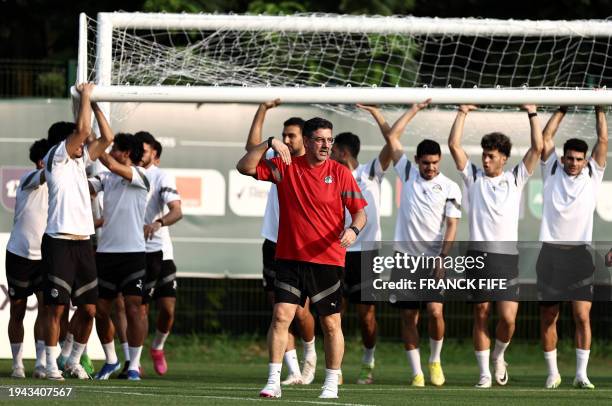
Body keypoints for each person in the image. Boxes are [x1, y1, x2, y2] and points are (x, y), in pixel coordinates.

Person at [237, 117, 367, 399]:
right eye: (320, 139)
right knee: (281, 316)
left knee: (331, 324)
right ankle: (273, 381)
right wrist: (269, 142)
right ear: (306, 142)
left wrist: (353, 230)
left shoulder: (340, 172)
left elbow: (360, 212)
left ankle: (331, 384)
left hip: (328, 260)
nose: (325, 145)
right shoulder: (285, 168)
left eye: (329, 140)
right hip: (289, 258)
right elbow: (244, 166)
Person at [448, 104, 543, 388]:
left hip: (506, 259)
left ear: (503, 158)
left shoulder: (515, 178)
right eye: (484, 155)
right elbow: (453, 145)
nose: (486, 160)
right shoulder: (473, 177)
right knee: (481, 313)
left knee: (508, 319)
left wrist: (532, 112)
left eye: (491, 156)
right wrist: (463, 112)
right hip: (477, 256)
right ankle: (484, 374)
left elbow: (537, 148)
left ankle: (499, 356)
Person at [382, 100, 461, 387]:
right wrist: (414, 108)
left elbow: (452, 224)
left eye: (435, 163)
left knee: (436, 311)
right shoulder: (407, 173)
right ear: (416, 161)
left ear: (440, 161)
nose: (430, 167)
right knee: (408, 315)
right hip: (404, 258)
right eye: (425, 163)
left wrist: (443, 257)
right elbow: (392, 138)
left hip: (433, 259)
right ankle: (416, 372)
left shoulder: (451, 187)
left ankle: (435, 360)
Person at [41, 83, 114, 380]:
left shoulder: (80, 160)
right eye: (77, 139)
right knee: (56, 308)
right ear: (65, 142)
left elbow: (107, 137)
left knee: (89, 309)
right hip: (58, 241)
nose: (83, 143)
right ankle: (48, 362)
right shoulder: (56, 158)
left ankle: (72, 359)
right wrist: (85, 94)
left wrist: (96, 104)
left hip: (84, 243)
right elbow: (83, 132)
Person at [245, 100, 317, 385]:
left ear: (305, 140)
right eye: (284, 135)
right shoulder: (277, 159)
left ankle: (311, 353)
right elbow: (250, 153)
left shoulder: (312, 164)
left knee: (301, 312)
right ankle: (293, 371)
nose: (286, 140)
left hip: (301, 247)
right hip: (274, 243)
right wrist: (263, 111)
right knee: (279, 310)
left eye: (292, 136)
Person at [536, 106, 608, 389]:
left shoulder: (592, 173)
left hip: (579, 254)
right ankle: (553, 373)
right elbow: (546, 135)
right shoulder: (552, 169)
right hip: (551, 254)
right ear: (562, 158)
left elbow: (602, 141)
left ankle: (581, 374)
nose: (573, 163)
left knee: (581, 316)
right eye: (569, 158)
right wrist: (562, 107)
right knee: (549, 316)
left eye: (578, 159)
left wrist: (600, 107)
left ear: (585, 160)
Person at [329, 105, 394, 385]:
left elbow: (392, 142)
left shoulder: (370, 172)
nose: (328, 154)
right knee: (334, 313)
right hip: (337, 253)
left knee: (367, 316)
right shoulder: (328, 175)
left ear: (343, 152)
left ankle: (368, 361)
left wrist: (376, 113)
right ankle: (336, 368)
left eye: (332, 150)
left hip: (366, 254)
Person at [89, 127, 150, 380]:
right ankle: (112, 359)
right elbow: (87, 187)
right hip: (105, 254)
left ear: (125, 153)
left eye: (113, 148)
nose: (110, 152)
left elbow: (111, 165)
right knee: (100, 310)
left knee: (134, 308)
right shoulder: (106, 177)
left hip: (133, 253)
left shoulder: (140, 174)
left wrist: (94, 140)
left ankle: (133, 365)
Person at [135, 131, 183, 376]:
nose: (139, 154)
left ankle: (158, 347)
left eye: (143, 150)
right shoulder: (125, 173)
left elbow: (177, 210)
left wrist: (159, 223)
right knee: (140, 309)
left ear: (154, 152)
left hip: (160, 252)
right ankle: (136, 360)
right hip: (135, 252)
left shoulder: (161, 176)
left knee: (167, 309)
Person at [5, 138, 51, 379]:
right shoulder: (28, 179)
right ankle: (17, 364)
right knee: (18, 311)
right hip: (19, 255)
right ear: (42, 161)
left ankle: (41, 363)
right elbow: (45, 175)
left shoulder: (58, 186)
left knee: (45, 310)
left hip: (45, 257)